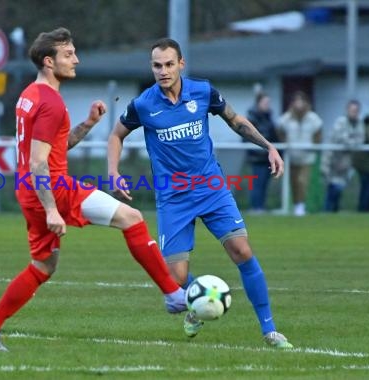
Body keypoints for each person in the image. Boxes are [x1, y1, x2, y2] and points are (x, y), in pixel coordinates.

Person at [0, 28, 186, 352]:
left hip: (30, 190)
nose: (76, 60)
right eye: (68, 55)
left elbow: (56, 146)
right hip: (52, 189)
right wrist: (53, 209)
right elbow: (40, 163)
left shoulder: (30, 94)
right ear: (48, 61)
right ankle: (173, 294)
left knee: (43, 266)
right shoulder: (50, 102)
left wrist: (88, 123)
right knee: (132, 217)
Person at [108, 38, 293, 349]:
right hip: (173, 198)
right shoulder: (143, 105)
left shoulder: (203, 91)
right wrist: (113, 171)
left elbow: (236, 121)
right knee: (176, 278)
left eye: (168, 64)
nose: (162, 71)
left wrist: (269, 146)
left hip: (211, 188)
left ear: (181, 64)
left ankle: (270, 330)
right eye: (157, 65)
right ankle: (195, 300)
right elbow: (116, 134)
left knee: (242, 251)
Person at [277, 91, 323, 216]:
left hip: (307, 157)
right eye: (296, 101)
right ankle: (296, 204)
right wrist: (285, 144)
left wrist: (314, 146)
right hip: (291, 157)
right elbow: (280, 130)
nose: (299, 104)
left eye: (301, 101)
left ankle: (301, 206)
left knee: (303, 181)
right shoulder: (286, 118)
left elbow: (318, 133)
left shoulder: (313, 118)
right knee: (294, 182)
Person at [320, 100, 365, 212]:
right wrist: (352, 142)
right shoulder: (340, 122)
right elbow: (342, 139)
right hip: (332, 161)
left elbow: (361, 140)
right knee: (332, 190)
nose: (354, 113)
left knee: (339, 190)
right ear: (347, 110)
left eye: (356, 110)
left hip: (346, 163)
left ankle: (334, 214)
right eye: (352, 110)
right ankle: (327, 214)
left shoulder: (359, 123)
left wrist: (352, 142)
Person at [245, 92, 279, 213]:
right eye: (265, 102)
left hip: (267, 157)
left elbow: (274, 136)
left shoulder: (268, 118)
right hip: (257, 157)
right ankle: (256, 207)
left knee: (264, 184)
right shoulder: (252, 118)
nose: (267, 105)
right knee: (257, 184)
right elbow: (248, 137)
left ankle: (261, 207)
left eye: (268, 103)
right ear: (258, 103)